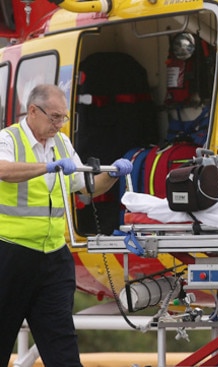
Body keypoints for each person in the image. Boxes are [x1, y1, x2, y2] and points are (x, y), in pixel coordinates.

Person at [0, 84, 133, 367]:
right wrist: (46, 167)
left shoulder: (61, 143)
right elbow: (3, 170)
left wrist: (112, 173)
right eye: (55, 117)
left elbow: (86, 187)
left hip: (53, 258)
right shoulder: (8, 138)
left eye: (63, 118)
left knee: (62, 345)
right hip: (10, 254)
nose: (59, 124)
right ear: (33, 111)